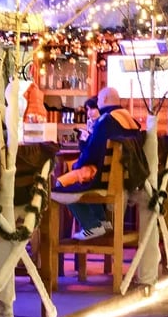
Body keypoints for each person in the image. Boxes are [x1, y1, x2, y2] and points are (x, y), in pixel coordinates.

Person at [53, 87, 139, 240]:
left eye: (98, 99)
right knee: (83, 179)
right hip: (125, 178)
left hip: (102, 179)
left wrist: (77, 166)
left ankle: (92, 226)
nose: (98, 103)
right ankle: (103, 224)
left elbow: (91, 153)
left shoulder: (105, 120)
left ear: (104, 99)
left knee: (61, 185)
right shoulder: (131, 121)